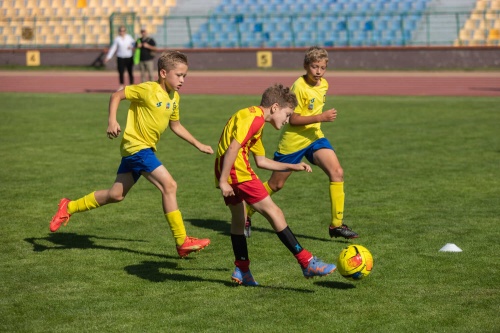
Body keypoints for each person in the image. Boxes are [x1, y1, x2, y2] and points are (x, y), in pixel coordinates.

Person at [50, 50, 214, 258]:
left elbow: (176, 125)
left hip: (139, 150)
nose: (182, 80)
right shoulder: (147, 89)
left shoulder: (174, 98)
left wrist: (198, 144)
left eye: (185, 76)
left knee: (115, 195)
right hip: (137, 148)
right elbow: (117, 95)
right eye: (179, 75)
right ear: (163, 73)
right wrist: (112, 120)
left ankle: (68, 206)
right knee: (169, 186)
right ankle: (182, 241)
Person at [215, 83, 337, 286]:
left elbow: (261, 161)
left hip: (226, 170)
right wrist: (223, 181)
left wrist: (292, 166)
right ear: (274, 108)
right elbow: (234, 148)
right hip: (237, 172)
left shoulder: (252, 117)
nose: (288, 120)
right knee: (275, 212)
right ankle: (307, 262)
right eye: (287, 114)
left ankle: (242, 270)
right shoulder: (254, 120)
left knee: (238, 219)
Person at [245, 46, 358, 240]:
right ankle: (246, 212)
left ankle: (336, 225)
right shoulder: (299, 87)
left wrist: (318, 121)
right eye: (315, 67)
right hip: (294, 142)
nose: (319, 71)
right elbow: (294, 120)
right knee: (276, 184)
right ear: (306, 66)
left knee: (337, 172)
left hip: (314, 137)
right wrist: (321, 117)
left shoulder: (324, 84)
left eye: (322, 67)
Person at [104, 26, 136, 90]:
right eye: (121, 31)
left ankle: (131, 85)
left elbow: (134, 43)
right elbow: (113, 48)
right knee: (121, 72)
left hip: (129, 57)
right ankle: (121, 85)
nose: (122, 32)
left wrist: (131, 46)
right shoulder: (117, 39)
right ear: (119, 32)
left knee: (130, 71)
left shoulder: (129, 37)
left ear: (125, 31)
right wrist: (108, 57)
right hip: (120, 57)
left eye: (123, 31)